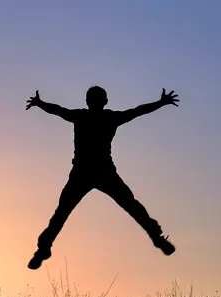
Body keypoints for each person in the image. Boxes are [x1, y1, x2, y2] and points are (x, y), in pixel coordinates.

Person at [25, 85, 178, 270]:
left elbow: (137, 111)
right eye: (93, 98)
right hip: (87, 172)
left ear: (101, 101)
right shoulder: (97, 117)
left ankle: (43, 249)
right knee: (66, 211)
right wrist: (40, 103)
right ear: (95, 101)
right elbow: (137, 111)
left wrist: (40, 103)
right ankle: (43, 250)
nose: (94, 102)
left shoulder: (94, 117)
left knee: (64, 212)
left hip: (98, 172)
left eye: (96, 98)